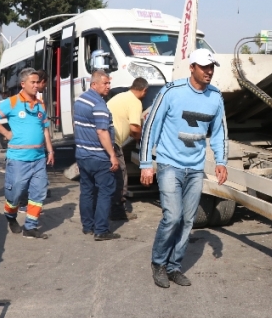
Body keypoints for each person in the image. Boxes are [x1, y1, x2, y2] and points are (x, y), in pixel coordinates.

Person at [140, 48, 228, 288]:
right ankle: (158, 263)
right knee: (173, 216)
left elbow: (219, 132)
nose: (208, 71)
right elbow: (151, 126)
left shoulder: (215, 97)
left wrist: (221, 161)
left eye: (211, 67)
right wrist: (147, 163)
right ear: (192, 68)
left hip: (195, 167)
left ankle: (174, 267)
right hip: (170, 164)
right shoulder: (171, 91)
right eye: (203, 67)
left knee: (188, 220)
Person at [0, 68, 55, 239]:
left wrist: (50, 150)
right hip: (18, 159)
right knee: (15, 194)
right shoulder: (12, 102)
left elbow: (44, 129)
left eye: (38, 82)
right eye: (33, 82)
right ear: (23, 84)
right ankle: (10, 215)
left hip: (38, 157)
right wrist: (6, 133)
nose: (37, 86)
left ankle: (30, 226)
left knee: (39, 193)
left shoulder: (40, 104)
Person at [74, 69, 121, 241]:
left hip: (82, 155)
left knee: (86, 190)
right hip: (99, 157)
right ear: (94, 84)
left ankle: (88, 226)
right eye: (105, 83)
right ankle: (101, 229)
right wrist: (112, 155)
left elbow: (77, 125)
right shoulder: (99, 105)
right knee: (105, 191)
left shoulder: (80, 100)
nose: (108, 86)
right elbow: (102, 132)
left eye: (109, 83)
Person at [107, 77, 149, 220]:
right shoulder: (135, 102)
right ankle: (118, 210)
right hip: (113, 142)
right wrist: (142, 139)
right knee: (120, 175)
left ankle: (104, 206)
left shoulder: (122, 96)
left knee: (108, 175)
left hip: (103, 139)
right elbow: (134, 128)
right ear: (144, 90)